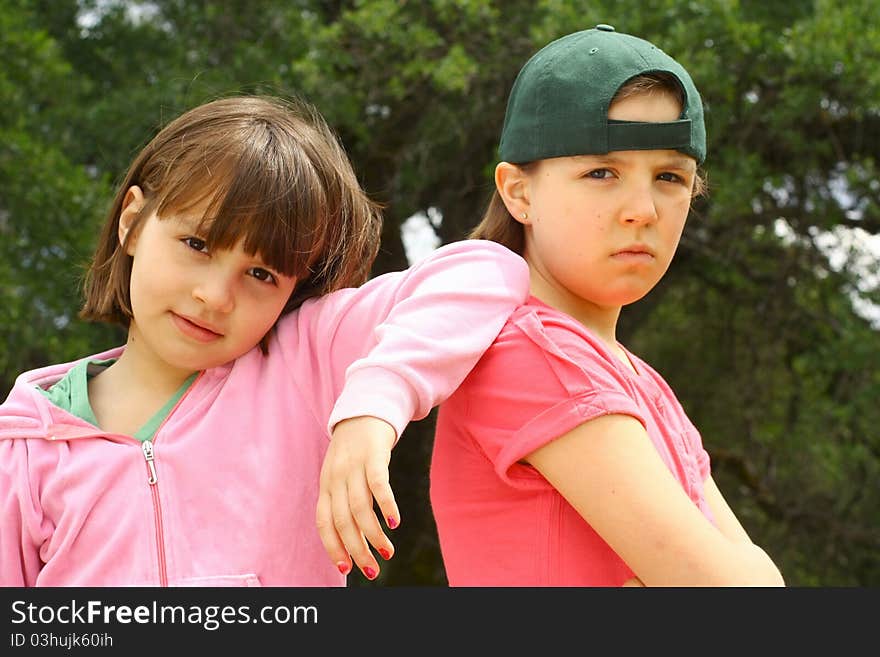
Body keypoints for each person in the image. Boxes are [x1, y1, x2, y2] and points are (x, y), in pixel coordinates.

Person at [0, 95, 529, 586]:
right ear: (133, 222)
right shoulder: (24, 450)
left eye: (261, 275)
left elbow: (487, 269)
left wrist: (371, 410)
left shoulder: (305, 360)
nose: (215, 296)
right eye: (197, 243)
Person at [428, 25, 786, 586]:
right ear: (518, 192)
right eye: (602, 172)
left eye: (670, 176)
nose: (643, 209)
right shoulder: (534, 354)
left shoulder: (637, 379)